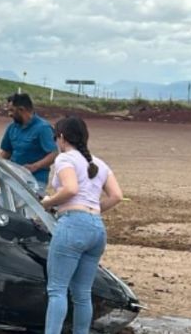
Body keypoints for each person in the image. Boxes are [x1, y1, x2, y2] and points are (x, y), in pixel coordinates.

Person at [40, 116, 123, 334]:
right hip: (97, 228)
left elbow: (70, 189)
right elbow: (116, 196)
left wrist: (48, 202)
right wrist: (92, 211)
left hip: (72, 225)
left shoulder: (65, 159)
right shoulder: (100, 164)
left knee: (57, 289)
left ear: (62, 137)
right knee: (82, 292)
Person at [0, 93, 57, 191]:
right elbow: (6, 152)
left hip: (35, 181)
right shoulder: (11, 127)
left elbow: (54, 154)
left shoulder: (43, 128)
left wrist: (34, 167)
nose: (9, 114)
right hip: (13, 178)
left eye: (11, 110)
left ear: (22, 109)